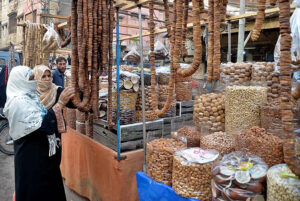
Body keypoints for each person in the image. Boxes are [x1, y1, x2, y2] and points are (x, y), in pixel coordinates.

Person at [4, 66, 75, 201]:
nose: (34, 82)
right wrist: (60, 104)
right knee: (35, 190)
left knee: (49, 188)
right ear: (20, 81)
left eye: (33, 78)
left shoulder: (30, 96)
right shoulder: (18, 102)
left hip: (42, 156)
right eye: (31, 79)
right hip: (32, 157)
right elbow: (42, 124)